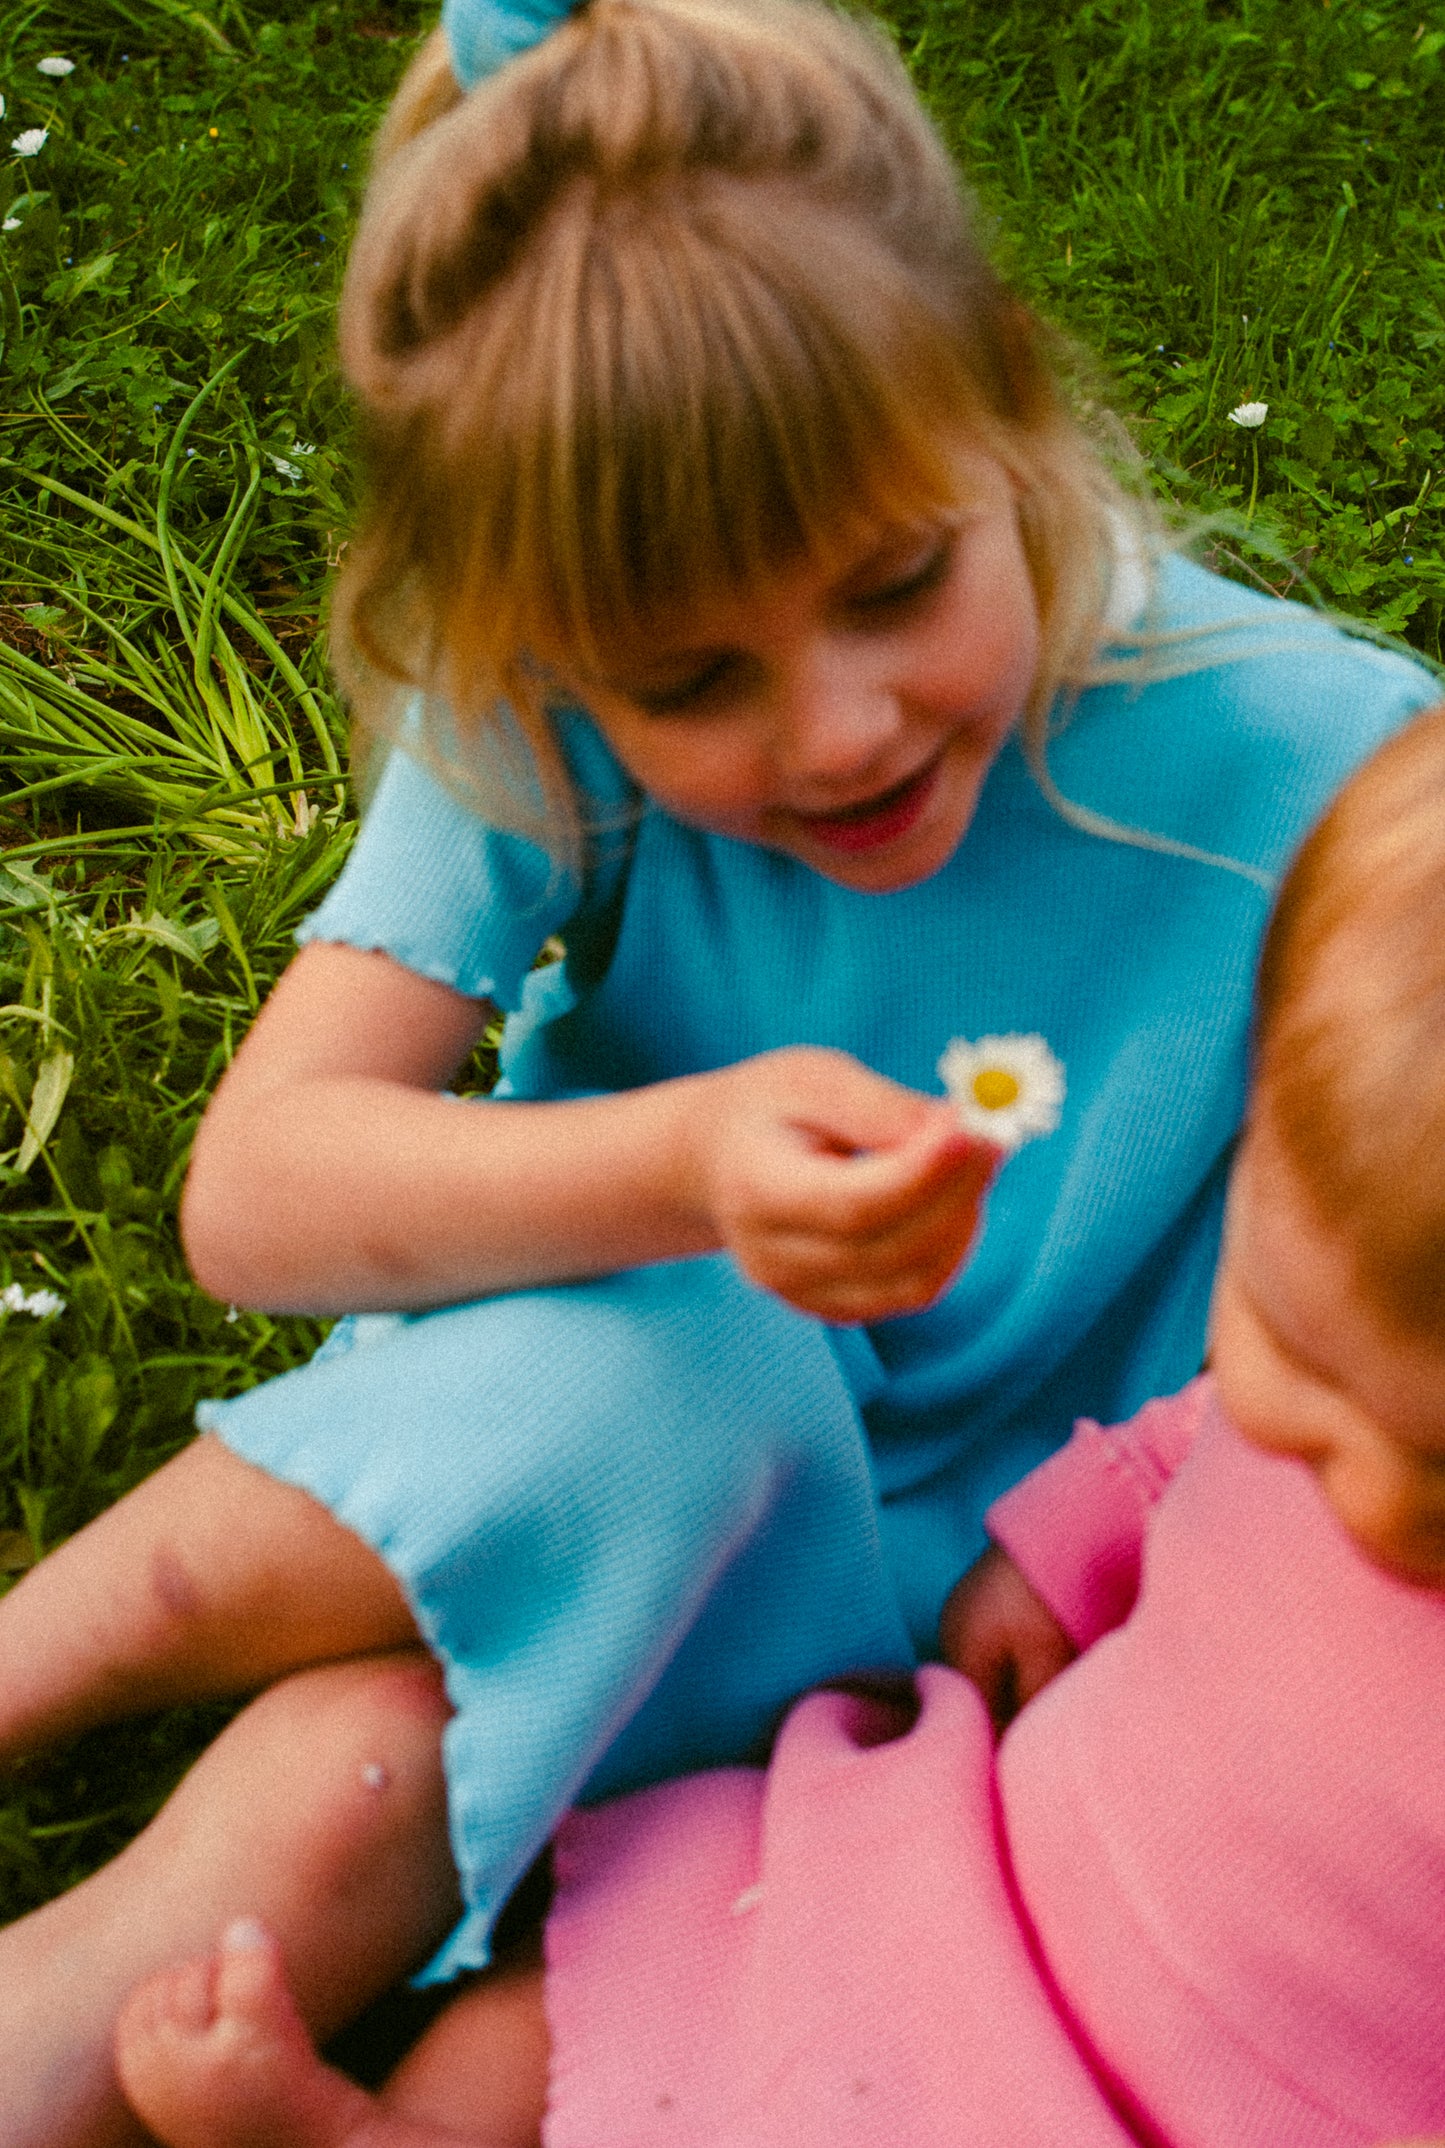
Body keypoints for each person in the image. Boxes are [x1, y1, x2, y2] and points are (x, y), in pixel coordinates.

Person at [0, 0, 1437, 2136]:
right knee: (644, 1415)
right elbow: (259, 1195)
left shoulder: (1323, 764)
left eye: (899, 583)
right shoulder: (550, 711)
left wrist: (1100, 1532)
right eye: (696, 681)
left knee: (367, 1769)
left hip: (962, 1596)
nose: (839, 725)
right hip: (594, 1458)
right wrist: (682, 1164)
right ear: (549, 646)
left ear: (1008, 417)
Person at [110, 705, 1445, 2148]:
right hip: (970, 1884)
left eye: (1431, 1462)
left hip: (1155, 2104)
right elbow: (1192, 1433)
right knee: (573, 2018)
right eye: (1281, 1349)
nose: (1345, 1477)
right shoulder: (1354, 1332)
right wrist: (1065, 1545)